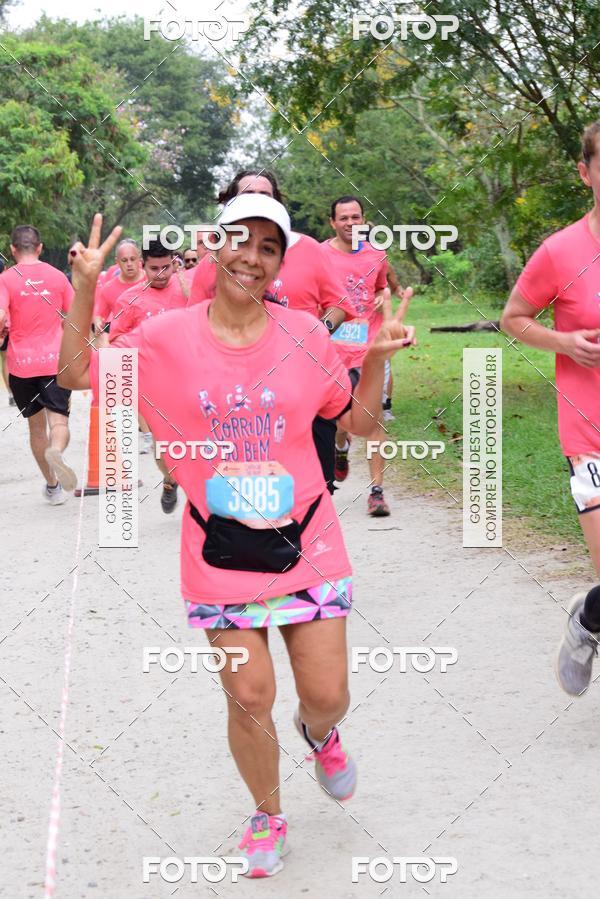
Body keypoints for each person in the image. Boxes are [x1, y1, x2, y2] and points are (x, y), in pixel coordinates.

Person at [59, 198, 414, 878]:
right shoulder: (164, 338)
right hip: (219, 551)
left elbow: (361, 423)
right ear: (215, 245)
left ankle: (322, 735)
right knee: (249, 694)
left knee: (327, 693)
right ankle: (266, 813)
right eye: (240, 240)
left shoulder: (306, 333)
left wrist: (374, 357)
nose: (252, 255)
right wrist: (82, 286)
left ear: (280, 261)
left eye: (269, 247)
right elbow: (76, 372)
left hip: (306, 542)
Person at [501, 120, 600, 696]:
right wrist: (567, 343)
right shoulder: (560, 252)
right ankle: (589, 619)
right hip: (588, 433)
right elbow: (515, 318)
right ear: (585, 173)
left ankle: (591, 615)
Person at [189, 170, 356, 493]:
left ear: (277, 201)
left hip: (306, 382)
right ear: (231, 204)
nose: (258, 202)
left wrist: (318, 331)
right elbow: (193, 322)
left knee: (315, 487)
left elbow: (339, 304)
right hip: (239, 393)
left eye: (265, 195)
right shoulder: (215, 261)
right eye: (248, 195)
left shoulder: (307, 249)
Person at [323, 196, 415, 516]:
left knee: (373, 420)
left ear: (363, 220)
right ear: (333, 222)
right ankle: (340, 448)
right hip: (332, 351)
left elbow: (380, 288)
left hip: (368, 350)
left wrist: (379, 299)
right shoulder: (320, 256)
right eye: (343, 218)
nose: (350, 223)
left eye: (356, 217)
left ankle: (377, 492)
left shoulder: (376, 256)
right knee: (340, 422)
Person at [109, 238, 188, 511]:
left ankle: (205, 499)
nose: (161, 274)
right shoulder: (129, 300)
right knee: (163, 444)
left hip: (191, 379)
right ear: (144, 266)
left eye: (167, 267)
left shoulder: (188, 289)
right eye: (155, 268)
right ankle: (169, 480)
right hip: (153, 385)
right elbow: (117, 341)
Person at [0, 225, 75, 504]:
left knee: (35, 427)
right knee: (59, 421)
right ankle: (57, 450)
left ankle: (53, 486)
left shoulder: (6, 279)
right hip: (55, 362)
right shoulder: (57, 277)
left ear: (13, 250)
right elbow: (77, 313)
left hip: (21, 366)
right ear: (40, 248)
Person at [92, 239, 144, 336]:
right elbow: (99, 315)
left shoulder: (151, 281)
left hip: (149, 341)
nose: (129, 264)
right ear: (117, 262)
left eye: (132, 259)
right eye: (124, 260)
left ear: (139, 259)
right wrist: (98, 322)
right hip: (121, 344)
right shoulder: (108, 288)